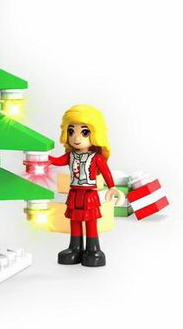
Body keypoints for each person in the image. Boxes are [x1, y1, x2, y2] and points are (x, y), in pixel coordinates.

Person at [49, 104, 122, 267]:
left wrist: (112, 187)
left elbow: (106, 172)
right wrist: (42, 158)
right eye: (71, 131)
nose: (76, 138)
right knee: (74, 220)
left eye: (84, 132)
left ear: (95, 134)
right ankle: (75, 248)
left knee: (90, 221)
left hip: (89, 195)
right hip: (74, 193)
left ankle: (93, 249)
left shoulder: (96, 158)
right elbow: (57, 161)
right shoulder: (70, 155)